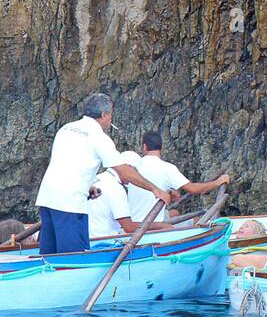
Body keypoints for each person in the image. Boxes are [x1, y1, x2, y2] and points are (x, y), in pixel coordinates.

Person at [34, 93, 176, 255]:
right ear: (104, 115)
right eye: (111, 115)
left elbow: (68, 164)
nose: (110, 120)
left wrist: (88, 185)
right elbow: (123, 169)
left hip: (46, 198)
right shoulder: (99, 137)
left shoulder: (65, 129)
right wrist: (155, 189)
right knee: (73, 258)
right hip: (70, 203)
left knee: (49, 255)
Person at [128, 131, 230, 223]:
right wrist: (217, 182)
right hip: (151, 224)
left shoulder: (133, 167)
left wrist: (171, 191)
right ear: (161, 148)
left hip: (133, 221)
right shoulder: (167, 168)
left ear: (145, 147)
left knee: (175, 212)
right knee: (196, 220)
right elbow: (193, 189)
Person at [87, 166, 138, 239]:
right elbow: (129, 227)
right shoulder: (116, 188)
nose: (134, 178)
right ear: (128, 168)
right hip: (106, 241)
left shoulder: (96, 178)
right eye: (135, 173)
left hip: (88, 239)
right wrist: (159, 225)